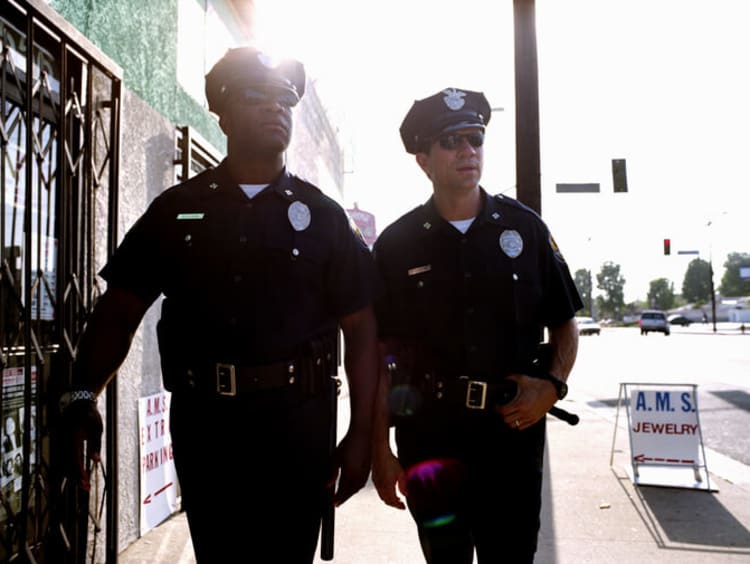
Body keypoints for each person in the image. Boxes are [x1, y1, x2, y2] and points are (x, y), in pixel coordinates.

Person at [59, 46, 379, 563]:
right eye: (259, 97)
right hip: (209, 430)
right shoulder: (179, 210)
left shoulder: (323, 217)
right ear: (224, 114)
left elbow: (361, 328)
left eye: (285, 100)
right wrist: (81, 394)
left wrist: (361, 432)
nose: (277, 108)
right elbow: (120, 308)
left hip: (298, 429)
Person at [371, 87, 582, 564]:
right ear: (423, 159)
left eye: (475, 137)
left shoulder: (524, 229)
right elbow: (380, 356)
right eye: (451, 141)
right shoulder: (397, 245)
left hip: (510, 436)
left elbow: (565, 324)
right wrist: (379, 448)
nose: (468, 150)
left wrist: (552, 385)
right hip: (430, 437)